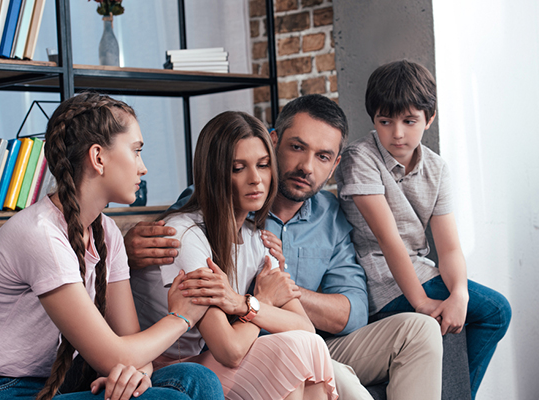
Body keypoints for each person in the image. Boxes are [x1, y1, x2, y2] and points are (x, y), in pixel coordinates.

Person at [126, 95, 443, 400]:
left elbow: (345, 314)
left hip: (282, 338)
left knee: (413, 330)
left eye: (322, 156)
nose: (306, 166)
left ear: (334, 165)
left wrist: (263, 298)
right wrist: (261, 301)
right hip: (224, 351)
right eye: (297, 148)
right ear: (275, 141)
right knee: (305, 355)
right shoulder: (207, 216)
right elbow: (180, 226)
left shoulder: (288, 227)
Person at [0, 93, 223, 400]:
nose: (143, 168)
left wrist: (135, 375)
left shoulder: (107, 232)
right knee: (169, 399)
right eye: (136, 151)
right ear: (98, 157)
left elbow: (129, 347)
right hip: (6, 387)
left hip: (65, 380)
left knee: (197, 379)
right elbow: (113, 356)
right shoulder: (41, 235)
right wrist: (182, 317)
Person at [334, 60, 512, 399]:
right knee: (485, 311)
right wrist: (422, 302)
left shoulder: (436, 168)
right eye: (385, 121)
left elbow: (448, 248)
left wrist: (459, 293)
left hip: (421, 271)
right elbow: (388, 240)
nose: (397, 133)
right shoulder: (361, 157)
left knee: (492, 311)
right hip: (379, 279)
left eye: (409, 121)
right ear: (374, 119)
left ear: (429, 119)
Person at [130, 111, 338, 400]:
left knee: (307, 345)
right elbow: (229, 350)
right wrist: (260, 302)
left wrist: (243, 304)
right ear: (216, 173)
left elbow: (306, 327)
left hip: (204, 361)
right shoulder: (184, 235)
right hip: (162, 371)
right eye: (238, 168)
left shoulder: (259, 239)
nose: (256, 179)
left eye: (263, 165)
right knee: (296, 349)